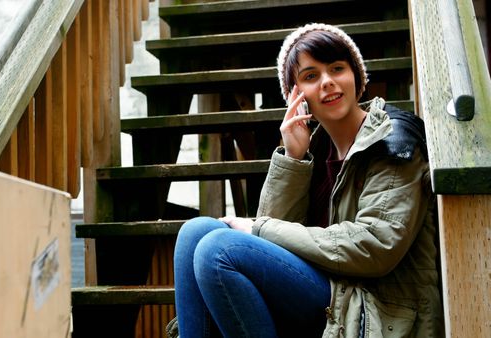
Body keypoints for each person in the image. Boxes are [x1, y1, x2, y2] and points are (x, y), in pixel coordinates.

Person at [167, 23, 444, 338]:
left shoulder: (391, 139)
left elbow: (374, 246)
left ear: (357, 76)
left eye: (337, 68)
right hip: (327, 292)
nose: (327, 82)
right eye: (311, 76)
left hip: (374, 309)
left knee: (218, 251)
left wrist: (258, 226)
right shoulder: (316, 149)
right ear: (295, 95)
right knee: (196, 231)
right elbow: (270, 243)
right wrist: (293, 159)